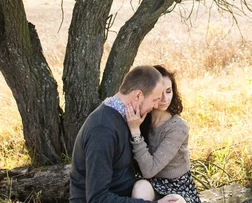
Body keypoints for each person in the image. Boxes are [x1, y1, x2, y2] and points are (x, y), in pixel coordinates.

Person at [70, 65, 180, 203]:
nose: (156, 105)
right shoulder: (102, 131)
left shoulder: (127, 118)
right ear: (138, 95)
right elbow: (97, 199)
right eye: (154, 100)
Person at [125, 65, 201, 203]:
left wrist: (135, 132)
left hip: (179, 188)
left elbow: (149, 170)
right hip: (152, 184)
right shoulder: (140, 119)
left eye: (168, 91)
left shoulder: (178, 127)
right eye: (159, 93)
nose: (164, 98)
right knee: (140, 186)